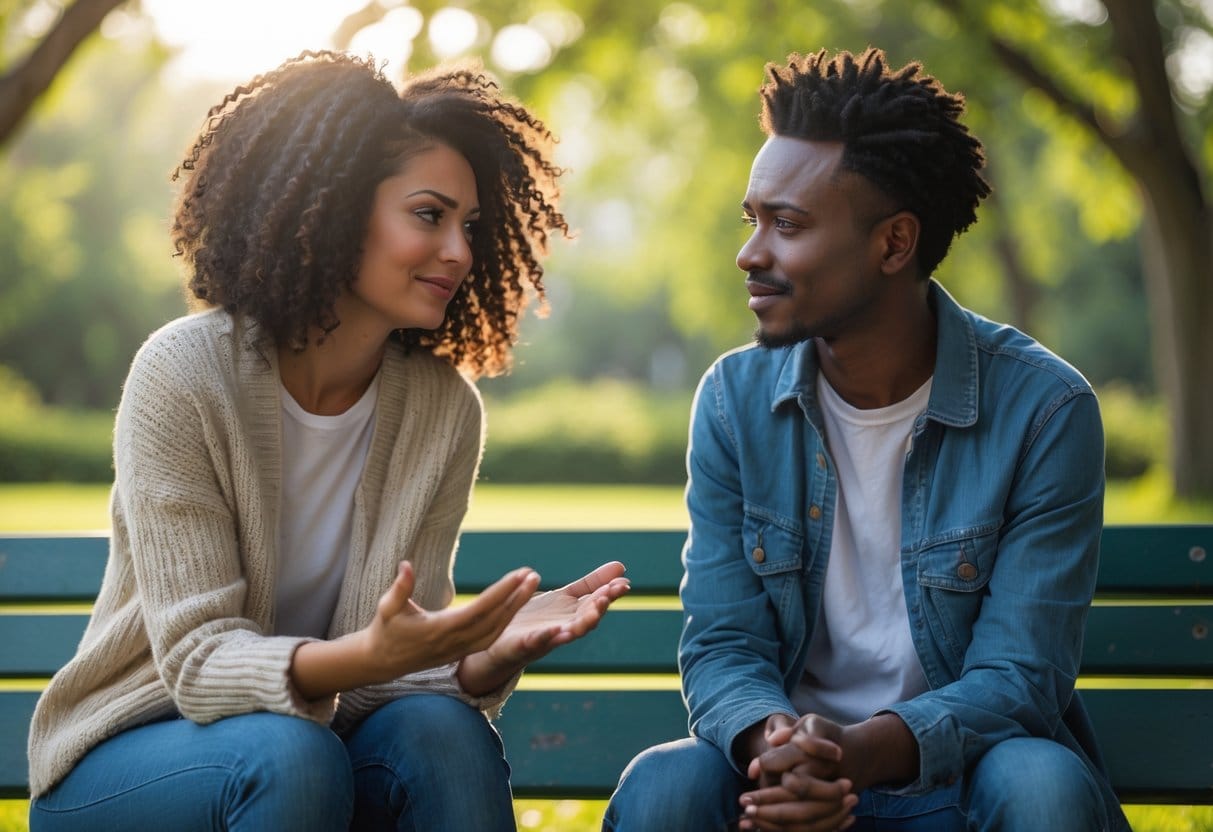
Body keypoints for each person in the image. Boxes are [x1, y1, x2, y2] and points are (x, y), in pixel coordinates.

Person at [27, 51, 629, 832]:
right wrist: (367, 657)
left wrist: (483, 656)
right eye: (428, 215)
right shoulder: (184, 375)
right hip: (133, 756)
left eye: (470, 226)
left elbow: (385, 689)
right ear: (338, 208)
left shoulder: (443, 410)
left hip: (309, 751)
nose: (460, 251)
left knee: (443, 735)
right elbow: (197, 667)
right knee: (289, 756)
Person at [604, 47, 1128, 832]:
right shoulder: (731, 403)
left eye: (787, 225)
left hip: (960, 779)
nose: (750, 254)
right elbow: (723, 643)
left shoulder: (1043, 410)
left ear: (893, 244)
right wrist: (777, 745)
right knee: (663, 787)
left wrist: (851, 754)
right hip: (779, 783)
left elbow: (1018, 677)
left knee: (1040, 785)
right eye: (751, 220)